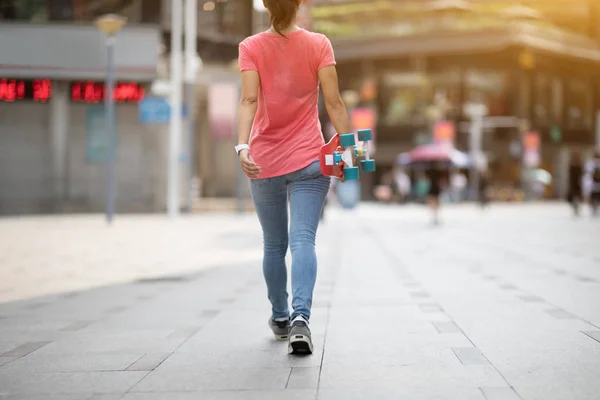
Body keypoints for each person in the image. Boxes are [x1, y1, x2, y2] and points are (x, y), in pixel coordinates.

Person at [236, 0, 352, 355]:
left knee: (274, 245)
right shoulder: (319, 44)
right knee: (304, 241)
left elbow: (249, 100)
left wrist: (242, 146)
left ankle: (281, 316)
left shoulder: (250, 47)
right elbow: (334, 104)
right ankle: (302, 319)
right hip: (309, 161)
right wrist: (347, 153)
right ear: (299, 4)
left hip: (264, 162)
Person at [567, 150, 583, 216]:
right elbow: (570, 176)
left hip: (578, 183)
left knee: (577, 196)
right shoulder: (572, 166)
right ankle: (575, 207)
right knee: (574, 196)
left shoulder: (579, 166)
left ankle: (577, 207)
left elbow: (581, 175)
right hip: (573, 183)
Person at [587, 151, 600, 216]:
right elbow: (589, 174)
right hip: (593, 184)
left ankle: (595, 208)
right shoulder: (591, 164)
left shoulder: (592, 164)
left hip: (597, 184)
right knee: (594, 197)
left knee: (596, 197)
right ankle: (594, 208)